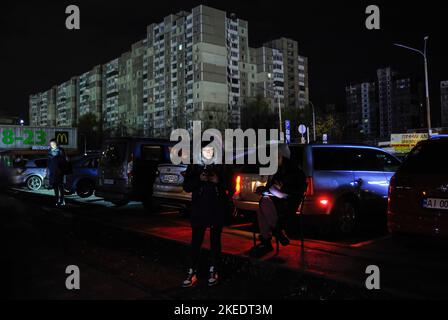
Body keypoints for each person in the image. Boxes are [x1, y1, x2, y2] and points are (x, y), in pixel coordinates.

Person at [181, 143, 233, 288]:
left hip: (217, 209)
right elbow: (186, 187)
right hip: (199, 210)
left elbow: (232, 187)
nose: (208, 153)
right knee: (196, 241)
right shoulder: (194, 166)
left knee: (215, 241)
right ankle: (192, 271)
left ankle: (214, 270)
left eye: (211, 150)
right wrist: (199, 179)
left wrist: (218, 181)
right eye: (205, 150)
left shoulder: (222, 166)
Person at [252, 144, 307, 256]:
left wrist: (283, 190)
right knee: (263, 203)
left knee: (264, 203)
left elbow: (297, 191)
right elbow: (270, 187)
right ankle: (277, 232)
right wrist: (263, 189)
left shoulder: (295, 171)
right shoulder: (276, 170)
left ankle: (268, 240)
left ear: (283, 156)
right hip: (275, 204)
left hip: (288, 204)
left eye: (276, 156)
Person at [47, 139, 69, 207]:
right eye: (51, 144)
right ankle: (57, 200)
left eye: (53, 144)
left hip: (59, 171)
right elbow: (49, 161)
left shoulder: (61, 150)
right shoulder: (49, 151)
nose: (52, 145)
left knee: (60, 186)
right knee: (55, 186)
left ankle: (62, 201)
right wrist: (48, 169)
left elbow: (64, 160)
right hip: (53, 171)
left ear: (57, 143)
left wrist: (61, 169)